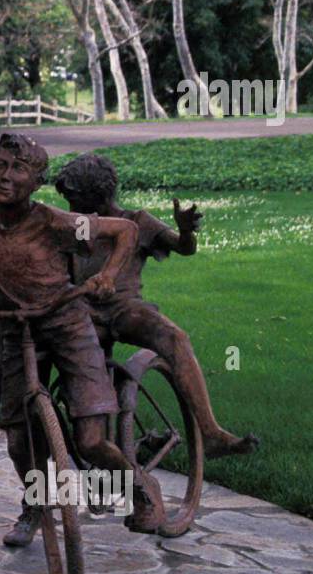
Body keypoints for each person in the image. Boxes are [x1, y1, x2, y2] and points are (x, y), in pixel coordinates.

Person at [0, 133, 166, 541]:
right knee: (20, 440)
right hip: (17, 329)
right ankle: (35, 506)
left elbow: (126, 231)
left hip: (67, 326)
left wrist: (107, 275)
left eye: (18, 169)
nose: (5, 177)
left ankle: (140, 489)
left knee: (92, 441)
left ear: (36, 181)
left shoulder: (53, 222)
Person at [54, 153, 259, 459]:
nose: (71, 208)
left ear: (97, 196)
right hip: (84, 314)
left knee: (174, 337)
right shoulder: (76, 225)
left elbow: (183, 248)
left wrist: (186, 230)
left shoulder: (137, 221)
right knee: (62, 352)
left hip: (125, 310)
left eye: (76, 200)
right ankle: (69, 431)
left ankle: (210, 432)